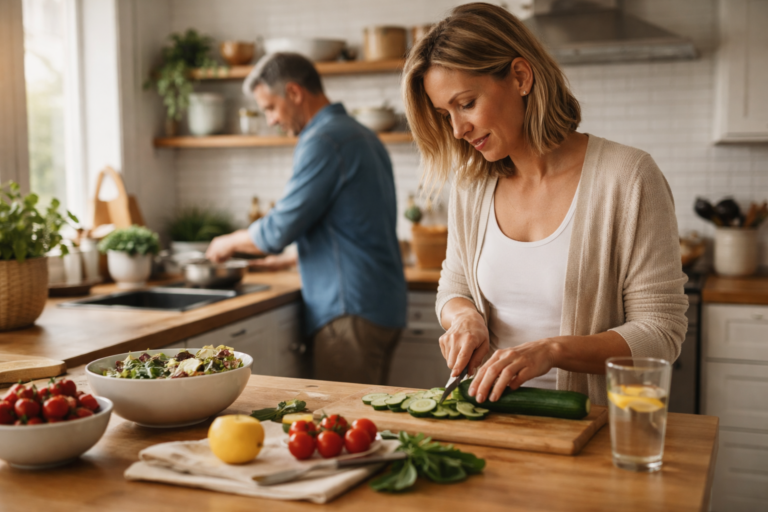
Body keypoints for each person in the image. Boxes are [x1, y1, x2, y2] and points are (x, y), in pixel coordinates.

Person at [402, 3, 688, 406]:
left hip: (595, 428)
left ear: (520, 76)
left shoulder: (628, 176)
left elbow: (661, 332)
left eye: (466, 104)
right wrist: (464, 317)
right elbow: (454, 286)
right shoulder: (472, 186)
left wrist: (550, 352)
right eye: (444, 113)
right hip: (493, 416)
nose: (457, 129)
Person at [206, 52, 407, 385]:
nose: (270, 120)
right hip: (381, 301)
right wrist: (295, 257)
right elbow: (355, 221)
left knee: (343, 424)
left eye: (270, 107)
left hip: (348, 310)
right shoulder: (361, 134)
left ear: (294, 93)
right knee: (368, 423)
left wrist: (227, 242)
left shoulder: (323, 140)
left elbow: (278, 230)